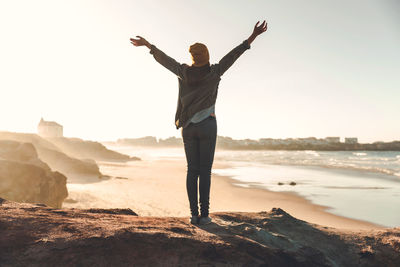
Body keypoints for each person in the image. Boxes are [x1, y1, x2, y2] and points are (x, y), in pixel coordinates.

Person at [130, 20, 267, 225]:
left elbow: (165, 60)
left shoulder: (183, 72)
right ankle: (205, 215)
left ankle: (193, 215)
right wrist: (253, 36)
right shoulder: (215, 72)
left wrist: (149, 46)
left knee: (192, 170)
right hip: (208, 126)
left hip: (188, 128)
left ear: (193, 57)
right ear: (207, 56)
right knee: (205, 171)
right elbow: (234, 55)